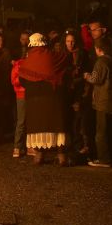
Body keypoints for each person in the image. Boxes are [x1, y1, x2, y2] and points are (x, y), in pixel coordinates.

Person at [18, 33, 70, 166]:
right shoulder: (52, 56)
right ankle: (61, 155)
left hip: (34, 99)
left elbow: (22, 79)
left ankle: (39, 156)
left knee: (38, 127)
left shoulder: (27, 60)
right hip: (53, 97)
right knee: (56, 126)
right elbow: (64, 62)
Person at [83, 36, 112, 168]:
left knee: (101, 131)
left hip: (102, 101)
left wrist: (87, 76)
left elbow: (96, 79)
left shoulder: (101, 62)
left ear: (98, 49)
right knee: (110, 130)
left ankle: (104, 159)